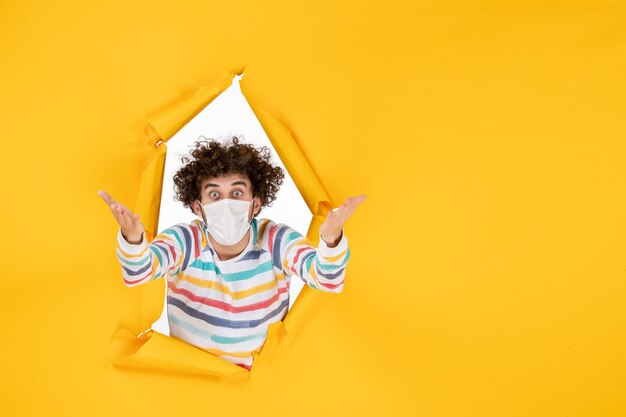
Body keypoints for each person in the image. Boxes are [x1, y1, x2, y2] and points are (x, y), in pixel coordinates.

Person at [98, 136, 366, 371]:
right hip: (192, 375)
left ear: (256, 204)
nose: (226, 203)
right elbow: (138, 272)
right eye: (214, 194)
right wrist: (132, 238)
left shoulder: (274, 239)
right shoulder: (186, 240)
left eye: (237, 192)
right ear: (197, 207)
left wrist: (331, 239)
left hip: (257, 380)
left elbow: (326, 279)